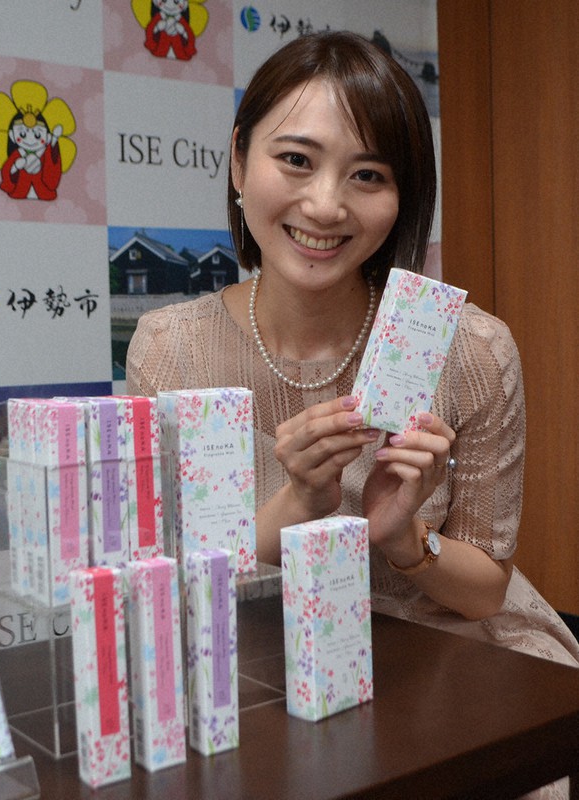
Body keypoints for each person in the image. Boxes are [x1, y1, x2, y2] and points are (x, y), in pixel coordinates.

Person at [127, 31, 579, 795]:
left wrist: (401, 535)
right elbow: (178, 588)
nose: (327, 204)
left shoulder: (469, 349)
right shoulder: (170, 352)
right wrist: (300, 501)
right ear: (238, 161)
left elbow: (484, 591)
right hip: (256, 664)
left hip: (442, 657)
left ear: (402, 197)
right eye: (295, 160)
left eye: (367, 174)